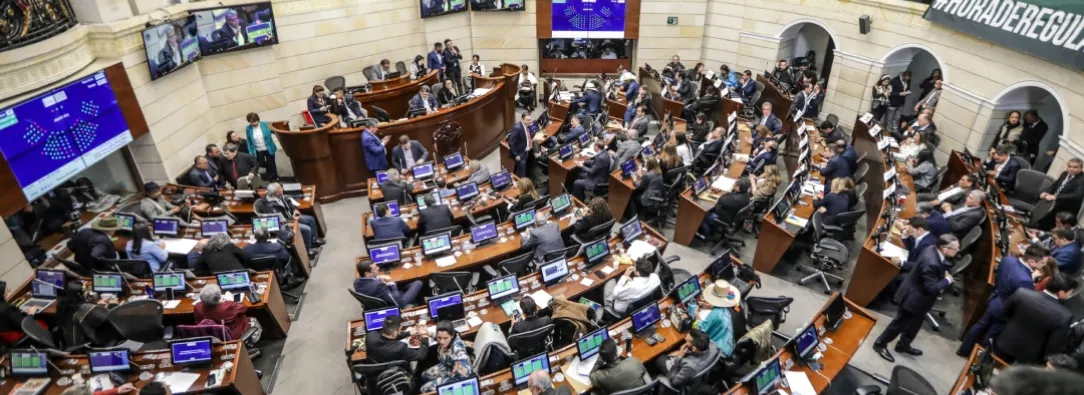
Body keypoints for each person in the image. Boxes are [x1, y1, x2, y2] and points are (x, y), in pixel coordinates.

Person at [873, 234, 959, 362]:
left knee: (915, 325)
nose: (958, 251)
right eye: (955, 249)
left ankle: (903, 345)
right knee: (899, 324)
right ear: (945, 249)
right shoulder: (931, 262)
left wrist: (942, 275)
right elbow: (931, 288)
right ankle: (880, 344)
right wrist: (947, 280)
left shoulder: (932, 249)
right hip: (913, 299)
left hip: (921, 300)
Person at [957, 245, 1049, 357]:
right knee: (991, 334)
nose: (1044, 265)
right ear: (1032, 262)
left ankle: (963, 350)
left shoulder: (1007, 260)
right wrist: (1031, 278)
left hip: (994, 299)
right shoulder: (1026, 280)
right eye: (1042, 263)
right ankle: (976, 357)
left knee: (980, 325)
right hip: (1004, 310)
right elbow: (1022, 301)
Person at [993, 273, 1076, 364]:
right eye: (1070, 293)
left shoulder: (1022, 293)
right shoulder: (1065, 316)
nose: (1069, 295)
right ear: (1061, 293)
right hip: (1027, 358)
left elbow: (1005, 313)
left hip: (1004, 342)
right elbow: (1053, 347)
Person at [254, 182, 323, 256]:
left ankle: (314, 240)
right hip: (285, 223)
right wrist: (292, 221)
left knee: (310, 219)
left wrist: (295, 210)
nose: (282, 188)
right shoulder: (269, 206)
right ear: (277, 192)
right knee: (307, 229)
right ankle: (307, 250)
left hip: (291, 216)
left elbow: (289, 201)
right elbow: (279, 219)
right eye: (280, 188)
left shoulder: (280, 196)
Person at [421, 321, 474, 391]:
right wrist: (428, 333)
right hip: (448, 366)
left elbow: (466, 370)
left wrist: (462, 369)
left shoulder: (457, 348)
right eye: (439, 338)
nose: (441, 342)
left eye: (445, 338)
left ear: (451, 336)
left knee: (424, 389)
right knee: (424, 375)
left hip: (457, 376)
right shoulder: (447, 337)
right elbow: (441, 337)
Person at [1035, 158, 1084, 230]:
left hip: (1065, 208)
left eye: (1075, 167)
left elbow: (1077, 195)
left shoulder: (1082, 179)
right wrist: (1046, 192)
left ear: (1081, 168)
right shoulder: (1065, 173)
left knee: (1047, 225)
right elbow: (1055, 184)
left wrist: (1056, 197)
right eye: (1069, 166)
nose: (1071, 169)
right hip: (1052, 203)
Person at [696, 279, 740, 356]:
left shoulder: (716, 314)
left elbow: (699, 330)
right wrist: (711, 307)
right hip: (731, 347)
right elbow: (724, 310)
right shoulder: (736, 306)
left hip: (718, 353)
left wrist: (696, 313)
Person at [354, 260, 424, 307]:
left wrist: (379, 277)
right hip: (395, 302)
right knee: (418, 283)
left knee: (409, 285)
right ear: (367, 273)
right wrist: (393, 285)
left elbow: (370, 281)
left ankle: (417, 301)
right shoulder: (378, 286)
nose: (378, 268)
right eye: (375, 269)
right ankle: (420, 303)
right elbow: (397, 302)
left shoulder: (356, 282)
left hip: (378, 300)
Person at [365, 315, 430, 363]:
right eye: (400, 330)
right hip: (394, 371)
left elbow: (388, 338)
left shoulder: (370, 336)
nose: (400, 331)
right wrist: (425, 337)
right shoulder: (400, 348)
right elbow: (420, 355)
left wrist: (409, 333)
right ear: (395, 332)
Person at [244, 112, 279, 182]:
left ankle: (274, 178)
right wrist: (250, 152)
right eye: (252, 122)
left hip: (268, 148)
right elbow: (249, 141)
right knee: (261, 163)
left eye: (256, 121)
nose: (255, 123)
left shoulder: (265, 124)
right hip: (257, 149)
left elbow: (275, 130)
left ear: (258, 119)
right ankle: (269, 173)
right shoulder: (248, 128)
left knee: (271, 163)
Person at [508, 111, 534, 177]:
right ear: (522, 119)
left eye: (530, 119)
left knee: (522, 168)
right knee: (521, 172)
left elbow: (525, 137)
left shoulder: (526, 126)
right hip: (520, 154)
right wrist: (516, 155)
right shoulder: (517, 128)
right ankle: (521, 182)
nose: (530, 121)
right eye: (528, 120)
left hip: (525, 151)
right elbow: (511, 142)